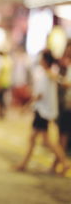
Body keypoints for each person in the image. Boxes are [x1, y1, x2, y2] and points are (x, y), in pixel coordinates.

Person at [15, 50, 70, 175]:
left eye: (41, 58)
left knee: (45, 140)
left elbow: (39, 95)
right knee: (34, 138)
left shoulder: (48, 75)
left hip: (42, 111)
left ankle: (64, 162)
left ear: (45, 60)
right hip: (43, 110)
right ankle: (23, 164)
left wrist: (27, 106)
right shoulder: (47, 74)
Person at [51, 41, 71, 173]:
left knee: (63, 136)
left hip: (68, 106)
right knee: (61, 136)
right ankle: (57, 165)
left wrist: (57, 79)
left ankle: (60, 164)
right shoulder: (64, 64)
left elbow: (67, 84)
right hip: (61, 104)